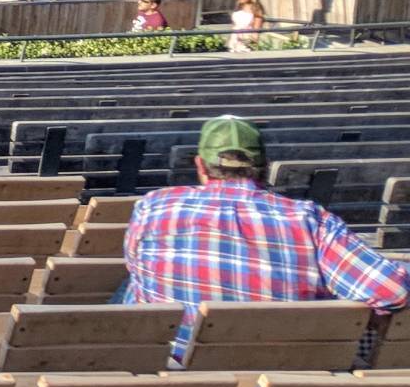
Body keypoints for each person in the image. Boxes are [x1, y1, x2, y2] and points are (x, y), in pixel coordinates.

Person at [120, 117, 409, 363]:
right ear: (264, 166)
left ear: (200, 165)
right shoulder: (311, 220)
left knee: (133, 283)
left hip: (180, 379)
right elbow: (392, 290)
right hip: (289, 380)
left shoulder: (154, 207)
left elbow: (136, 268)